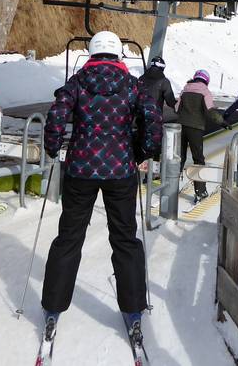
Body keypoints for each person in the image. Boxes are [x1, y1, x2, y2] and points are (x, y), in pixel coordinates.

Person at [42, 31, 163, 339]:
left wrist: (53, 147)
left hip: (80, 169)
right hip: (120, 169)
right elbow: (152, 118)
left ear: (92, 53)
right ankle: (133, 309)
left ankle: (53, 306)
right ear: (119, 53)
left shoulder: (77, 82)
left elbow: (56, 114)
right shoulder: (132, 85)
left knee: (69, 237)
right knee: (125, 239)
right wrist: (143, 151)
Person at [175, 69, 218, 202]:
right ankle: (200, 191)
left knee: (179, 157)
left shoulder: (185, 89)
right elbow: (210, 111)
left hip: (181, 126)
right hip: (196, 129)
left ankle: (172, 186)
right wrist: (222, 122)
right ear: (206, 80)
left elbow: (177, 108)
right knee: (198, 159)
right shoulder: (205, 91)